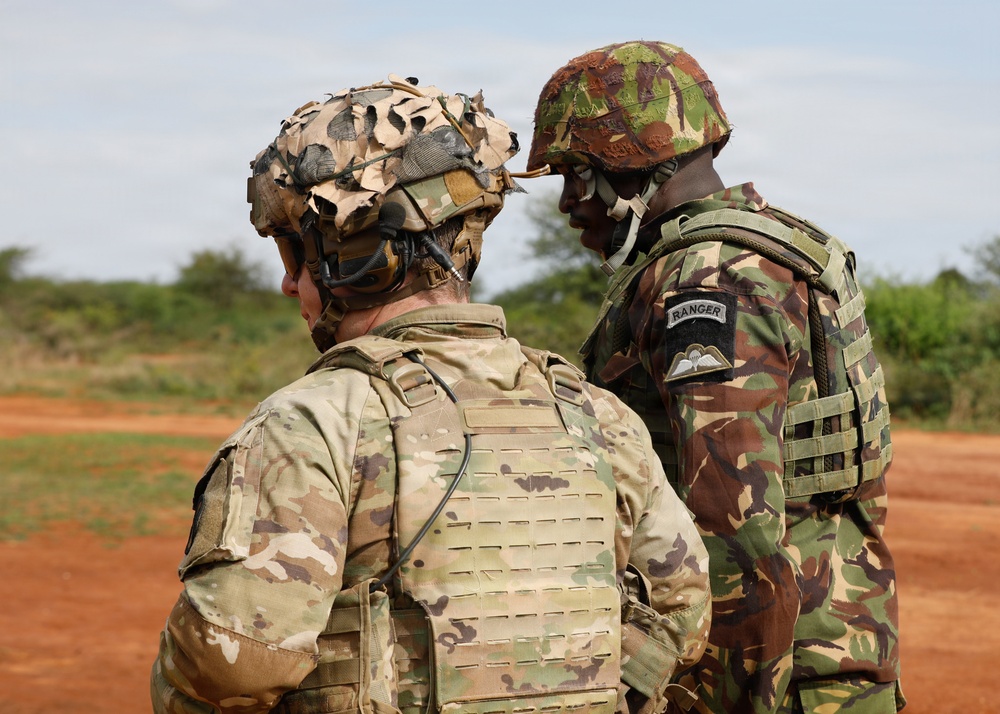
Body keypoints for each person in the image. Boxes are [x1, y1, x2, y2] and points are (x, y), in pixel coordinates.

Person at [150, 74, 712, 714]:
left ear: (352, 257)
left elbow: (233, 665)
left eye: (295, 255)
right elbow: (683, 617)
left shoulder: (311, 423)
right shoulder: (596, 413)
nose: (288, 286)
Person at [525, 41, 904, 714]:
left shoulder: (709, 279)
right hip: (820, 664)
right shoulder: (759, 246)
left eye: (575, 173)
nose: (566, 202)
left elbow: (735, 535)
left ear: (630, 162)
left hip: (772, 680)